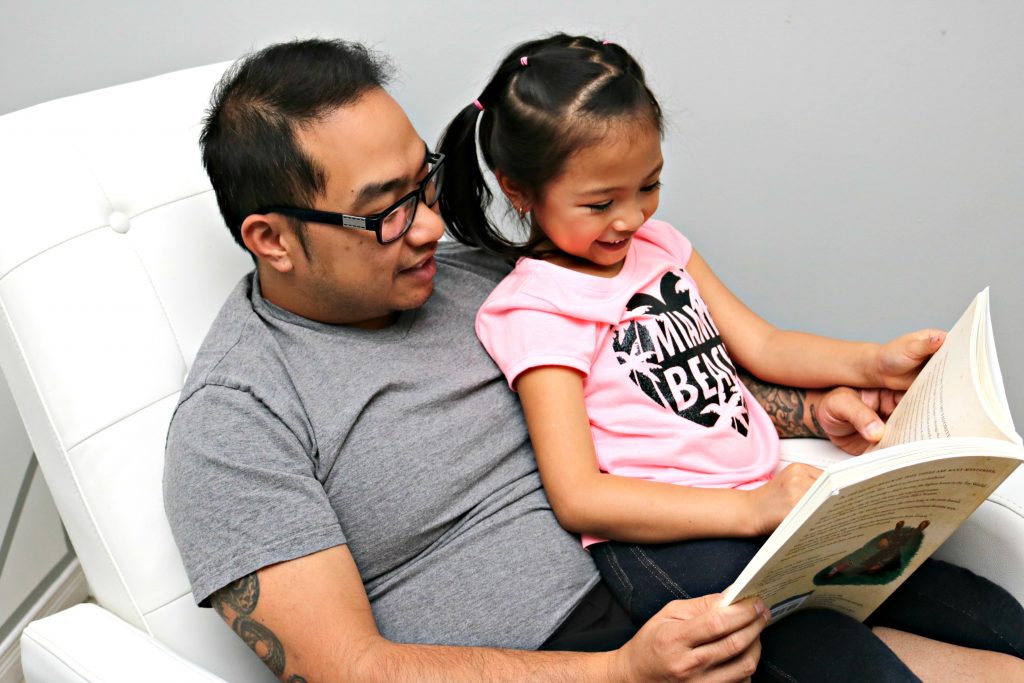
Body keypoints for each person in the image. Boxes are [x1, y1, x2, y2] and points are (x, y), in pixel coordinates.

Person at [162, 38, 972, 683]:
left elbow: (653, 380)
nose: (429, 226)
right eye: (386, 211)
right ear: (271, 238)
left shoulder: (471, 277)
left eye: (428, 184)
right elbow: (347, 669)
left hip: (698, 571)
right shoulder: (237, 420)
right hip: (582, 650)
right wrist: (621, 672)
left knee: (981, 613)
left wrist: (815, 408)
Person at [437, 33, 1024, 681]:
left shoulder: (660, 246)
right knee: (834, 655)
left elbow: (763, 344)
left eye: (650, 185)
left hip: (765, 503)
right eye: (601, 202)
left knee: (986, 610)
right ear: (520, 191)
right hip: (668, 540)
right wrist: (752, 511)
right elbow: (579, 495)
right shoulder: (536, 309)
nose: (632, 217)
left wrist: (871, 362)